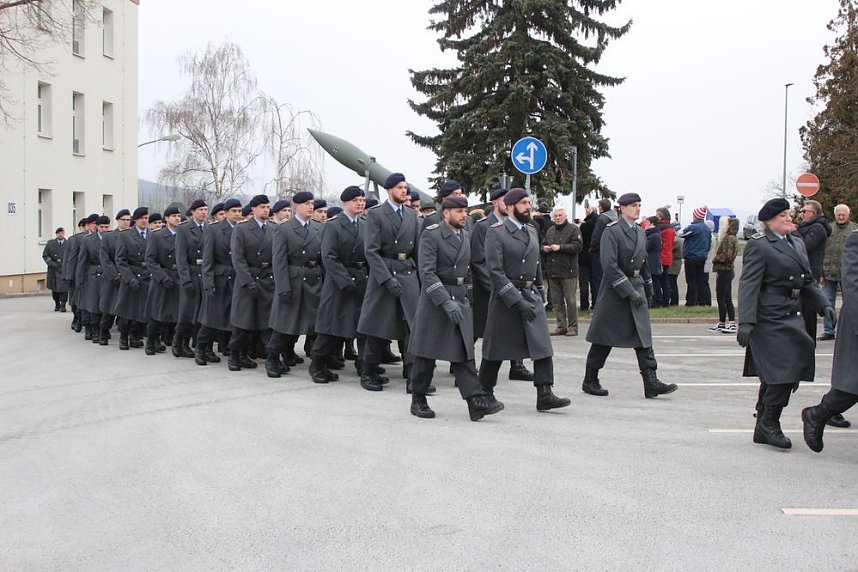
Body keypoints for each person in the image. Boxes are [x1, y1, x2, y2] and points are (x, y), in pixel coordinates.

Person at [736, 198, 834, 449]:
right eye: (783, 216)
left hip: (793, 312)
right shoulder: (760, 246)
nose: (790, 218)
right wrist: (746, 321)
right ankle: (769, 423)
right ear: (769, 222)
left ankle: (763, 425)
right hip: (769, 315)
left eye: (789, 214)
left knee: (785, 372)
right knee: (782, 372)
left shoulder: (797, 242)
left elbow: (808, 281)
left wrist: (824, 305)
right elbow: (749, 285)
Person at [409, 195, 505, 420]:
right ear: (446, 213)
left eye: (465, 211)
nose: (464, 215)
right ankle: (418, 398)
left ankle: (475, 402)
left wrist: (468, 293)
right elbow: (427, 273)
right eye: (459, 212)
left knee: (463, 353)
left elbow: (468, 269)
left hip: (460, 299)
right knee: (426, 353)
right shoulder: (431, 235)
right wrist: (444, 301)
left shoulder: (465, 236)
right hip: (436, 302)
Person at [478, 188, 571, 411]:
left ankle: (545, 392)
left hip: (530, 295)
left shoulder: (531, 230)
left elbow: (536, 263)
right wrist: (515, 300)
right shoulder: (496, 232)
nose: (528, 207)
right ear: (509, 207)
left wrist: (540, 292)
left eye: (529, 202)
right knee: (495, 348)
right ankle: (483, 393)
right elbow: (495, 271)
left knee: (542, 345)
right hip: (506, 298)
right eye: (522, 203)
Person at [582, 193, 677, 399]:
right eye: (633, 205)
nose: (638, 209)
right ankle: (590, 379)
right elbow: (609, 265)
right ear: (622, 208)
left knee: (643, 336)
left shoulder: (641, 232)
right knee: (604, 336)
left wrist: (648, 286)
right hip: (615, 290)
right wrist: (628, 291)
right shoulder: (612, 231)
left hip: (636, 285)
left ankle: (651, 381)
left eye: (639, 205)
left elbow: (642, 262)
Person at [357, 173, 422, 392]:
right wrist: (386, 278)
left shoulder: (412, 216)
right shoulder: (376, 215)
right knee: (378, 326)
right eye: (400, 188)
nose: (404, 191)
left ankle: (413, 374)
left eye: (405, 187)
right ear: (389, 190)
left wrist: (420, 279)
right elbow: (371, 251)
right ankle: (369, 371)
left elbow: (418, 251)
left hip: (408, 273)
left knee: (411, 326)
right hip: (384, 274)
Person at [802, 230, 858, 452]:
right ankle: (816, 415)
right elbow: (852, 287)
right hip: (856, 322)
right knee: (851, 386)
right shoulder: (855, 239)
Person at [470, 188, 534, 381]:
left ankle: (517, 365)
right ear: (495, 203)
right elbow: (479, 260)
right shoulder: (484, 226)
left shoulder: (524, 227)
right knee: (484, 331)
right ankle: (465, 364)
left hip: (514, 287)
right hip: (490, 288)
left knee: (516, 328)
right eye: (502, 200)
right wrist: (494, 286)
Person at [313, 186, 369, 383]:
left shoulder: (364, 224)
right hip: (339, 281)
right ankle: (318, 365)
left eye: (362, 200)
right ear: (345, 203)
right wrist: (345, 280)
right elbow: (328, 256)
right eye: (355, 200)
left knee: (363, 326)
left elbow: (369, 253)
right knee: (330, 326)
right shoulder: (333, 225)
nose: (360, 203)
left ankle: (365, 366)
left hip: (361, 278)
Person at [267, 191, 323, 379]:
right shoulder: (284, 229)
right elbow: (279, 261)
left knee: (314, 326)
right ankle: (273, 359)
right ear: (296, 206)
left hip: (313, 280)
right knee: (285, 325)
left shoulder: (317, 228)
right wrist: (283, 287)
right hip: (293, 280)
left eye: (312, 203)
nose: (310, 206)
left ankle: (317, 365)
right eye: (306, 203)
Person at [228, 194, 274, 371]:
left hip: (267, 279)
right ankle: (235, 355)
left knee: (266, 323)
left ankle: (271, 358)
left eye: (267, 207)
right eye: (262, 207)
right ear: (253, 209)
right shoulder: (242, 229)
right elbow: (238, 259)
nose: (265, 210)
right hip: (248, 280)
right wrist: (248, 282)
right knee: (243, 323)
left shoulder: (273, 228)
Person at [195, 198, 242, 366]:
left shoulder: (242, 228)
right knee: (212, 318)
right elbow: (207, 260)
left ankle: (234, 352)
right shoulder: (214, 230)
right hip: (220, 278)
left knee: (236, 319)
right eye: (234, 211)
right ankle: (201, 348)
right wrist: (208, 283)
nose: (237, 214)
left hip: (237, 278)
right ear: (226, 212)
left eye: (239, 211)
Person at [144, 206, 182, 356]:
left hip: (179, 276)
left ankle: (174, 342)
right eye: (173, 216)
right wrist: (162, 277)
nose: (177, 218)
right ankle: (151, 341)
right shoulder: (157, 236)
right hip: (163, 277)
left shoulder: (183, 234)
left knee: (177, 313)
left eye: (178, 216)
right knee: (157, 313)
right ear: (166, 219)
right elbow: (150, 260)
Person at [174, 199, 208, 359]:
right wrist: (186, 280)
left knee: (203, 313)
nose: (204, 212)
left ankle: (201, 344)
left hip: (205, 274)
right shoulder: (184, 229)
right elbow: (180, 258)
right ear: (193, 211)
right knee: (188, 312)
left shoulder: (210, 228)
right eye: (200, 209)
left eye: (206, 209)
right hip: (192, 273)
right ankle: (180, 341)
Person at [819, 204, 857, 341]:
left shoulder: (854, 229)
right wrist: (821, 273)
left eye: (843, 215)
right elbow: (822, 251)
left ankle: (850, 330)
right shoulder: (828, 229)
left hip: (848, 274)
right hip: (829, 272)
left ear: (848, 215)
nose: (841, 217)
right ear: (835, 215)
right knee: (828, 302)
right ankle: (829, 331)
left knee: (850, 303)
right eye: (838, 215)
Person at [542, 206, 583, 336]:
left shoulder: (574, 229)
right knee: (556, 301)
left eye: (560, 215)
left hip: (568, 271)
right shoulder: (550, 230)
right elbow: (542, 244)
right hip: (553, 271)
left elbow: (577, 246)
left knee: (570, 300)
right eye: (556, 216)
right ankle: (561, 326)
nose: (558, 218)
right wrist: (545, 248)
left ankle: (573, 327)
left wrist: (560, 247)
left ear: (565, 216)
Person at [114, 207, 151, 350]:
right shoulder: (126, 236)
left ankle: (135, 336)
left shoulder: (152, 235)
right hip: (131, 274)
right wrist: (129, 278)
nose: (144, 221)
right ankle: (124, 337)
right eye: (141, 218)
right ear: (135, 220)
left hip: (148, 275)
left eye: (146, 218)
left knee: (143, 310)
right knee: (127, 310)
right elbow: (120, 260)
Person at [98, 209, 131, 345]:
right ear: (117, 220)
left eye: (128, 220)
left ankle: (124, 337)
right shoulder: (109, 237)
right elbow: (105, 259)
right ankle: (103, 332)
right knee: (109, 309)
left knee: (126, 310)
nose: (126, 222)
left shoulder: (132, 236)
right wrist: (115, 276)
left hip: (128, 277)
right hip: (113, 279)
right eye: (123, 219)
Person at [76, 215, 110, 343]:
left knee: (106, 305)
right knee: (94, 305)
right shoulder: (88, 240)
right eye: (102, 227)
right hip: (93, 275)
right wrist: (80, 279)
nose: (104, 229)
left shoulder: (112, 238)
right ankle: (95, 330)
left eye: (106, 227)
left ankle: (104, 330)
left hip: (108, 274)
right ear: (97, 227)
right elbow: (82, 261)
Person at [709, 216, 739, 333]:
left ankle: (725, 322)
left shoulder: (728, 239)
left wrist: (715, 259)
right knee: (727, 298)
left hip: (725, 270)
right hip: (727, 270)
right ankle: (728, 322)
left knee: (722, 298)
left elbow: (726, 256)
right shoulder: (733, 238)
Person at [679, 206, 711, 306]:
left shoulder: (694, 227)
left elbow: (680, 234)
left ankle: (691, 301)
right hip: (702, 257)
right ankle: (702, 301)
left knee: (691, 280)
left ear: (696, 216)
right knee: (700, 280)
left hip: (692, 257)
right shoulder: (706, 228)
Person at [588, 198, 617, 305]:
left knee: (598, 279)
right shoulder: (615, 218)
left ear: (601, 207)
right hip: (612, 251)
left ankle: (598, 303)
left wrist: (592, 249)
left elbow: (597, 235)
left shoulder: (602, 219)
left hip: (599, 251)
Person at [42, 227, 68, 312]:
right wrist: (51, 263)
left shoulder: (68, 243)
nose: (61, 235)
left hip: (64, 268)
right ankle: (57, 303)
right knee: (55, 288)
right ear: (56, 234)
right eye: (59, 233)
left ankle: (63, 305)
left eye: (62, 233)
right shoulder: (50, 243)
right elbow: (45, 255)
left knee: (64, 288)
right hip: (53, 268)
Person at [654, 208, 675, 307]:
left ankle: (661, 300)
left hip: (662, 257)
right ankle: (666, 300)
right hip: (668, 257)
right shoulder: (670, 228)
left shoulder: (661, 229)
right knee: (665, 280)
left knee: (659, 280)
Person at [578, 206, 598, 310]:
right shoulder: (598, 224)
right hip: (594, 256)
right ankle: (595, 303)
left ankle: (584, 305)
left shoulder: (584, 226)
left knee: (584, 283)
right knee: (594, 282)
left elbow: (580, 241)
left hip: (584, 256)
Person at [644, 216, 662, 307]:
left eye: (647, 223)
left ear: (652, 224)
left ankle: (656, 301)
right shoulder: (655, 235)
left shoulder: (653, 236)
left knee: (654, 283)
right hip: (654, 261)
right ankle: (655, 301)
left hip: (652, 262)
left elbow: (645, 246)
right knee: (654, 282)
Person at [668, 233, 683, 306]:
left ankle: (674, 302)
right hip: (676, 263)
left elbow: (670, 249)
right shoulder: (678, 239)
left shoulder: (675, 241)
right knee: (673, 283)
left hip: (674, 264)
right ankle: (674, 301)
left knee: (672, 283)